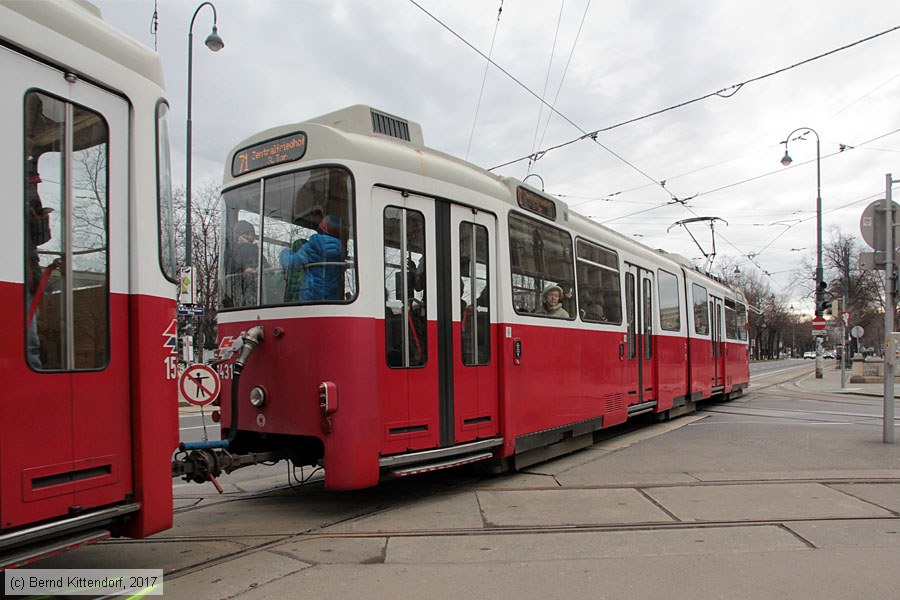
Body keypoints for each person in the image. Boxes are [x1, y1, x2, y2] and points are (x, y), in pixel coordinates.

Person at [280, 214, 344, 301]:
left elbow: (291, 263)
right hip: (333, 297)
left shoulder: (313, 245)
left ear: (322, 228)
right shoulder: (341, 249)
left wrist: (285, 252)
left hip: (311, 296)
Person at [224, 220, 266, 307]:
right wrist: (244, 271)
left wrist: (262, 268)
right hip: (238, 292)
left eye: (252, 234)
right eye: (247, 234)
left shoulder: (256, 251)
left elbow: (266, 265)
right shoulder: (232, 251)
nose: (250, 237)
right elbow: (230, 270)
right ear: (238, 235)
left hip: (257, 292)